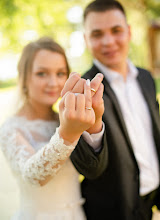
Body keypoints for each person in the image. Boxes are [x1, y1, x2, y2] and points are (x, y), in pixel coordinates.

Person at [66, 1, 160, 220]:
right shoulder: (82, 89)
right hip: (112, 211)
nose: (108, 42)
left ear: (129, 32)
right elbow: (91, 169)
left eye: (116, 31)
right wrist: (94, 128)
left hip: (150, 202)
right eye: (97, 34)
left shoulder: (146, 78)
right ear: (86, 40)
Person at [0, 37, 106, 220]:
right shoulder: (12, 128)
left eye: (60, 73)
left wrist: (94, 123)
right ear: (24, 77)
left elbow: (93, 168)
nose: (53, 82)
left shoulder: (68, 119)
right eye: (42, 73)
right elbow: (33, 176)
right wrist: (68, 134)